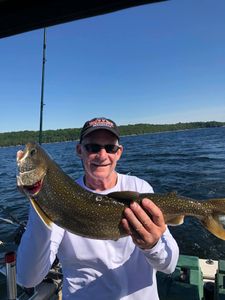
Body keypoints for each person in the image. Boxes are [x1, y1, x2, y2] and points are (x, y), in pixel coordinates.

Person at [17, 117, 179, 300]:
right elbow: (28, 278)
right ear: (80, 150)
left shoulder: (141, 189)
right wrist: (39, 200)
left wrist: (153, 245)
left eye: (110, 148)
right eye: (93, 147)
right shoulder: (62, 198)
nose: (102, 155)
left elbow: (169, 266)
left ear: (119, 152)